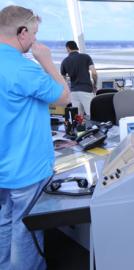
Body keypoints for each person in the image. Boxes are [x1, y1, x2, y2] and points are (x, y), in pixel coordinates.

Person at [0, 5, 70, 270]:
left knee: (5, 221)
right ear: (22, 32)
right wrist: (47, 61)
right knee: (24, 229)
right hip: (25, 167)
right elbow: (64, 97)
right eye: (34, 34)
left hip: (3, 166)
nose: (35, 41)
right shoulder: (23, 69)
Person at [60, 40, 97, 116]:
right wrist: (95, 85)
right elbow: (94, 73)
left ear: (68, 48)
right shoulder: (86, 57)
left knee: (77, 118)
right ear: (76, 47)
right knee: (92, 115)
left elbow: (63, 79)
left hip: (73, 92)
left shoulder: (65, 61)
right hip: (86, 90)